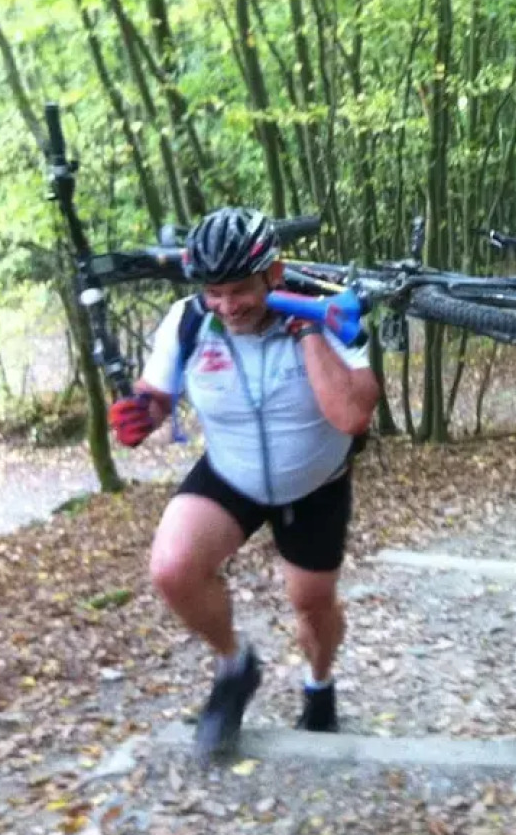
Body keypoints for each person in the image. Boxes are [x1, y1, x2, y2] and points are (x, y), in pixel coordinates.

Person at [106, 207, 380, 760]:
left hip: (314, 483)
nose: (228, 307)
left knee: (312, 604)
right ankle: (236, 665)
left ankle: (320, 684)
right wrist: (142, 413)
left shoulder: (330, 312)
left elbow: (352, 415)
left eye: (241, 291)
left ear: (272, 276)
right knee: (172, 568)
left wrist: (306, 328)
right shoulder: (188, 320)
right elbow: (155, 393)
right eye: (215, 293)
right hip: (232, 473)